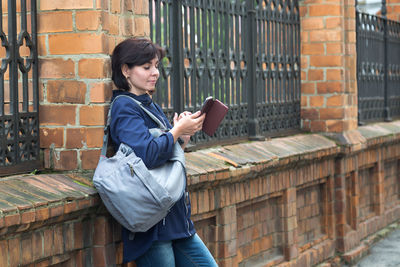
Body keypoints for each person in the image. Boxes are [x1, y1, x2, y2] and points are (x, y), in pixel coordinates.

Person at [109, 37, 218, 266]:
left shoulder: (148, 104)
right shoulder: (124, 107)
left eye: (156, 66)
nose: (155, 72)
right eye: (146, 67)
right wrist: (176, 131)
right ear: (126, 70)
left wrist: (182, 137)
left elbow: (164, 156)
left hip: (176, 222)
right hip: (152, 228)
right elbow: (147, 155)